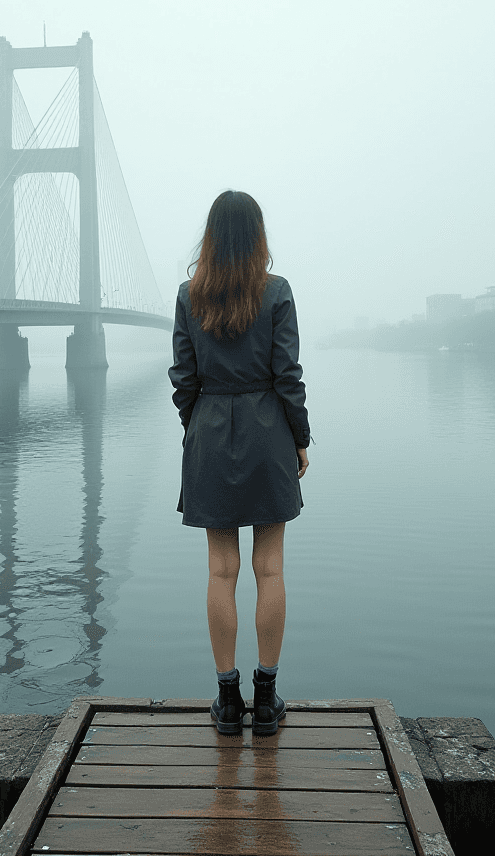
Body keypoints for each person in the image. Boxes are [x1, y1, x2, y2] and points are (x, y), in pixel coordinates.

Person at [169, 190, 310, 736]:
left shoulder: (188, 296)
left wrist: (200, 428)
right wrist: (299, 438)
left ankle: (228, 703)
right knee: (269, 567)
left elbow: (183, 380)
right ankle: (266, 699)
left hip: (209, 435)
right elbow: (287, 376)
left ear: (210, 237)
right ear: (257, 237)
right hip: (268, 434)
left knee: (220, 570)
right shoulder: (277, 292)